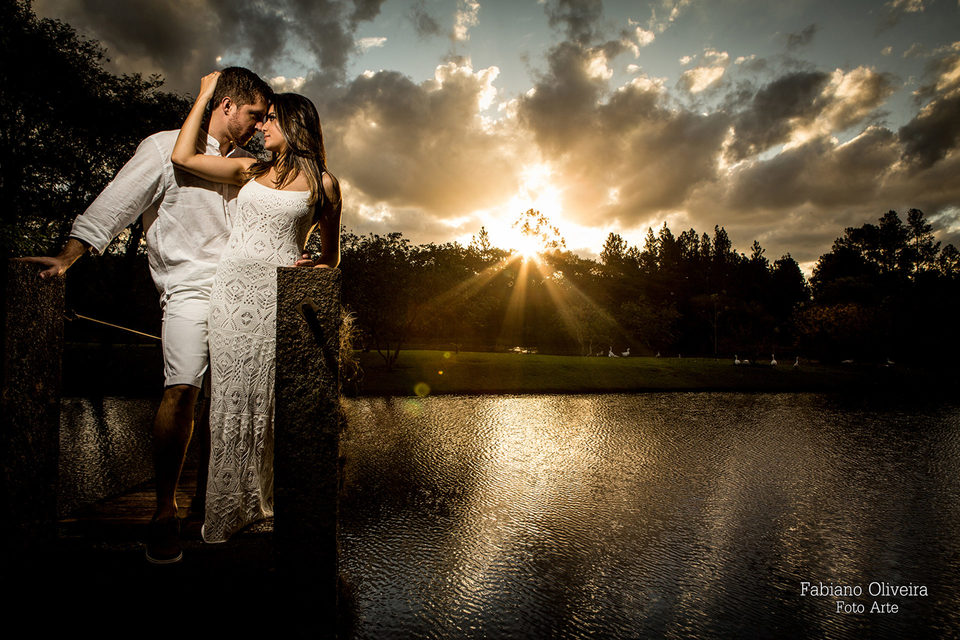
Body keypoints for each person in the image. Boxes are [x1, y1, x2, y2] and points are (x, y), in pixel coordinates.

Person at [21, 67, 273, 564]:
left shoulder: (250, 166)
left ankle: (209, 504)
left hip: (244, 291)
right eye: (255, 114)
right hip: (188, 287)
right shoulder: (163, 147)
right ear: (225, 105)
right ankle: (163, 511)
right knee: (182, 388)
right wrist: (69, 256)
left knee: (231, 401)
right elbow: (114, 204)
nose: (261, 125)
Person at [171, 72, 341, 543]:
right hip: (230, 295)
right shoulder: (250, 169)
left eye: (271, 119)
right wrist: (206, 96)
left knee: (263, 399)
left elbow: (331, 257)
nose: (261, 126)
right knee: (227, 400)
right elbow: (183, 157)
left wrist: (312, 266)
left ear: (295, 124)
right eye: (261, 118)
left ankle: (257, 503)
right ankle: (224, 510)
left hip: (273, 299)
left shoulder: (325, 185)